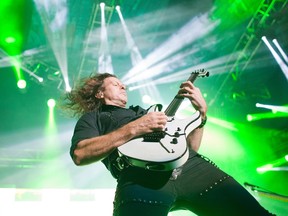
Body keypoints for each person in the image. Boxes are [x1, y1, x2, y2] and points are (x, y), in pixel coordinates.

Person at [64, 72, 274, 216]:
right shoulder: (94, 118)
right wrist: (135, 128)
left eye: (123, 83)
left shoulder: (145, 112)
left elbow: (190, 149)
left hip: (193, 169)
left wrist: (201, 116)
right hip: (140, 178)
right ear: (100, 93)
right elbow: (80, 154)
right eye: (115, 83)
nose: (123, 85)